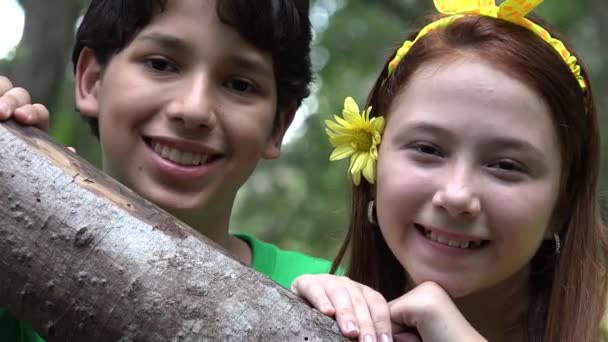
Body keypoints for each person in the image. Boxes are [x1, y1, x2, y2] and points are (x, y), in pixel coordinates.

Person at [0, 0, 333, 341]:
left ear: (278, 125)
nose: (194, 109)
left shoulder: (332, 301)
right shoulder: (9, 279)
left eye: (239, 85)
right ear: (92, 80)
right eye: (161, 64)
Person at [291, 0, 608, 341]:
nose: (456, 196)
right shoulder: (325, 314)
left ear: (561, 204)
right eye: (428, 149)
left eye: (506, 165)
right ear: (373, 166)